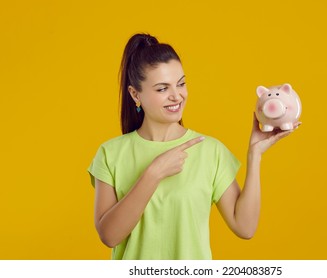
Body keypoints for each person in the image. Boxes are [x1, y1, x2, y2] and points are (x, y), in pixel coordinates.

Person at [87, 33, 300, 260]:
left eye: (181, 84)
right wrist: (154, 173)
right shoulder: (110, 154)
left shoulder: (210, 151)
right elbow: (109, 236)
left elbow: (245, 228)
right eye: (162, 89)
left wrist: (255, 155)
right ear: (135, 94)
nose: (176, 96)